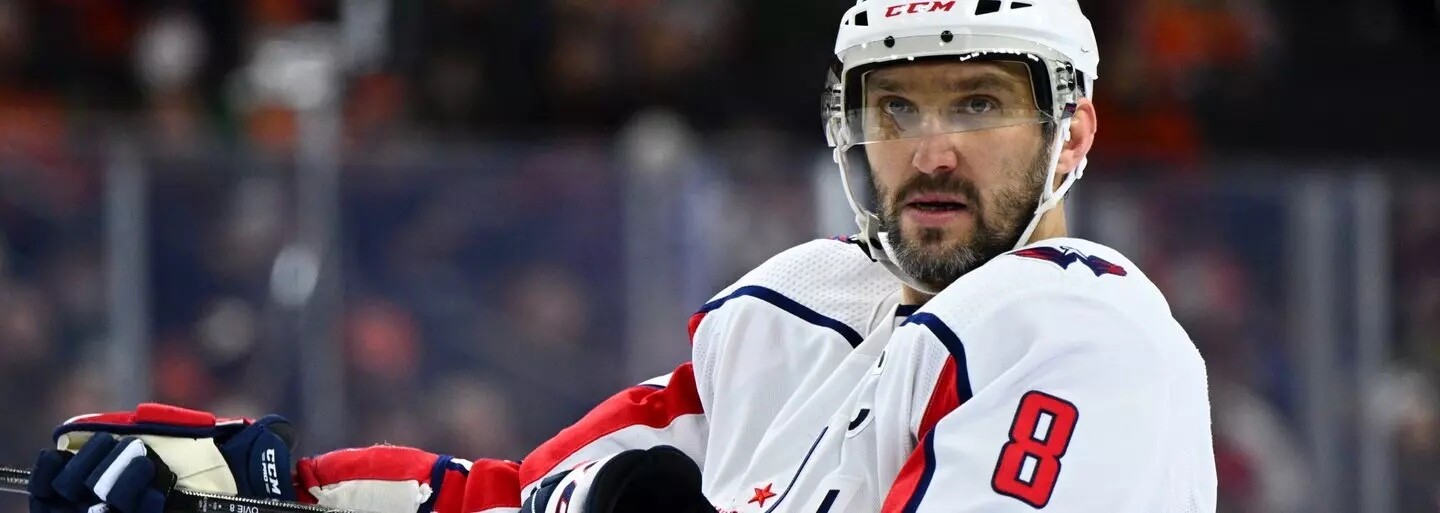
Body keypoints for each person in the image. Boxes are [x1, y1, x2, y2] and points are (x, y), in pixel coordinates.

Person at [24, 0, 1216, 512]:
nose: (934, 149)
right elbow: (523, 499)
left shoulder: (1090, 334)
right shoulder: (798, 309)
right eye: (898, 108)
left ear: (1075, 131)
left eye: (979, 105)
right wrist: (272, 488)